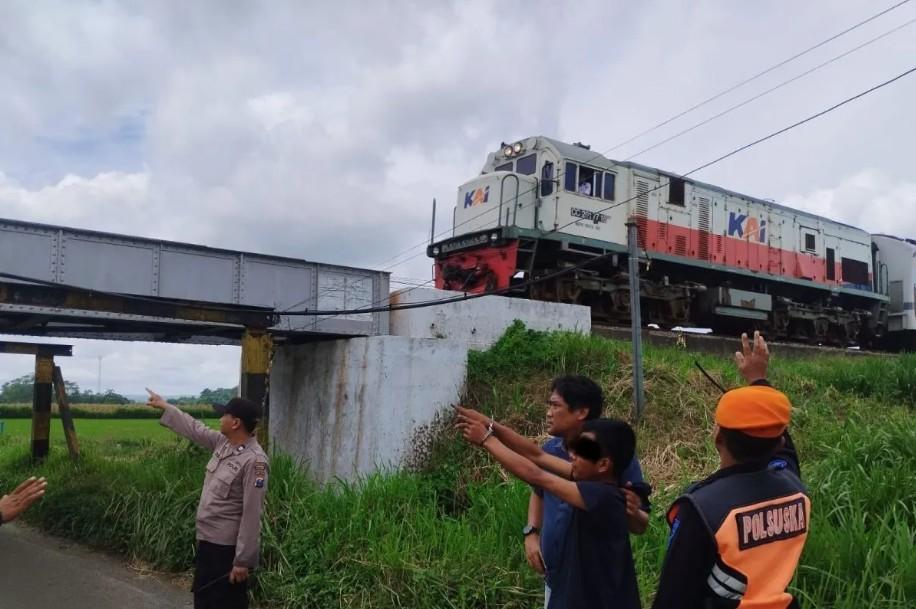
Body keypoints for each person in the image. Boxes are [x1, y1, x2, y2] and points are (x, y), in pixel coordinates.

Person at [457, 375, 650, 607]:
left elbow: (536, 474)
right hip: (565, 587)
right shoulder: (588, 474)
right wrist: (491, 425)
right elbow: (536, 455)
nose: (572, 455)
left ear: (603, 465)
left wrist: (487, 440)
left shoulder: (602, 495)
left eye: (581, 451)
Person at [652, 332, 809, 609]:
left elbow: (673, 598)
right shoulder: (794, 490)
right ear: (779, 443)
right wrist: (759, 380)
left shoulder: (702, 508)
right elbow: (784, 447)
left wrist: (757, 381)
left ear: (718, 438)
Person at [146, 389, 269, 609]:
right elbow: (195, 428)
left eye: (224, 415)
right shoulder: (223, 444)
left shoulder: (255, 462)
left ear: (235, 423)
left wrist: (242, 561)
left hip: (227, 551)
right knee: (204, 600)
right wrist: (165, 406)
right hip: (207, 543)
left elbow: (252, 514)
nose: (220, 419)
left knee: (224, 603)